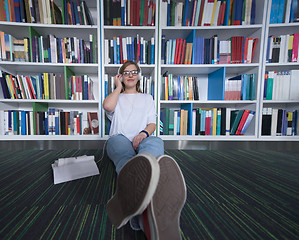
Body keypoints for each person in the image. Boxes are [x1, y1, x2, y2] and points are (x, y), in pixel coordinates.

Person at [103, 61, 186, 240]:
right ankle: (149, 203)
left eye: (134, 72)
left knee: (155, 143)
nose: (130, 75)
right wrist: (118, 87)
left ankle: (147, 187)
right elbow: (108, 107)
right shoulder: (116, 97)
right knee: (125, 158)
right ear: (121, 77)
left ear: (139, 75)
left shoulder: (147, 97)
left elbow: (152, 123)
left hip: (143, 136)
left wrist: (142, 134)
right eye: (125, 73)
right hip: (120, 138)